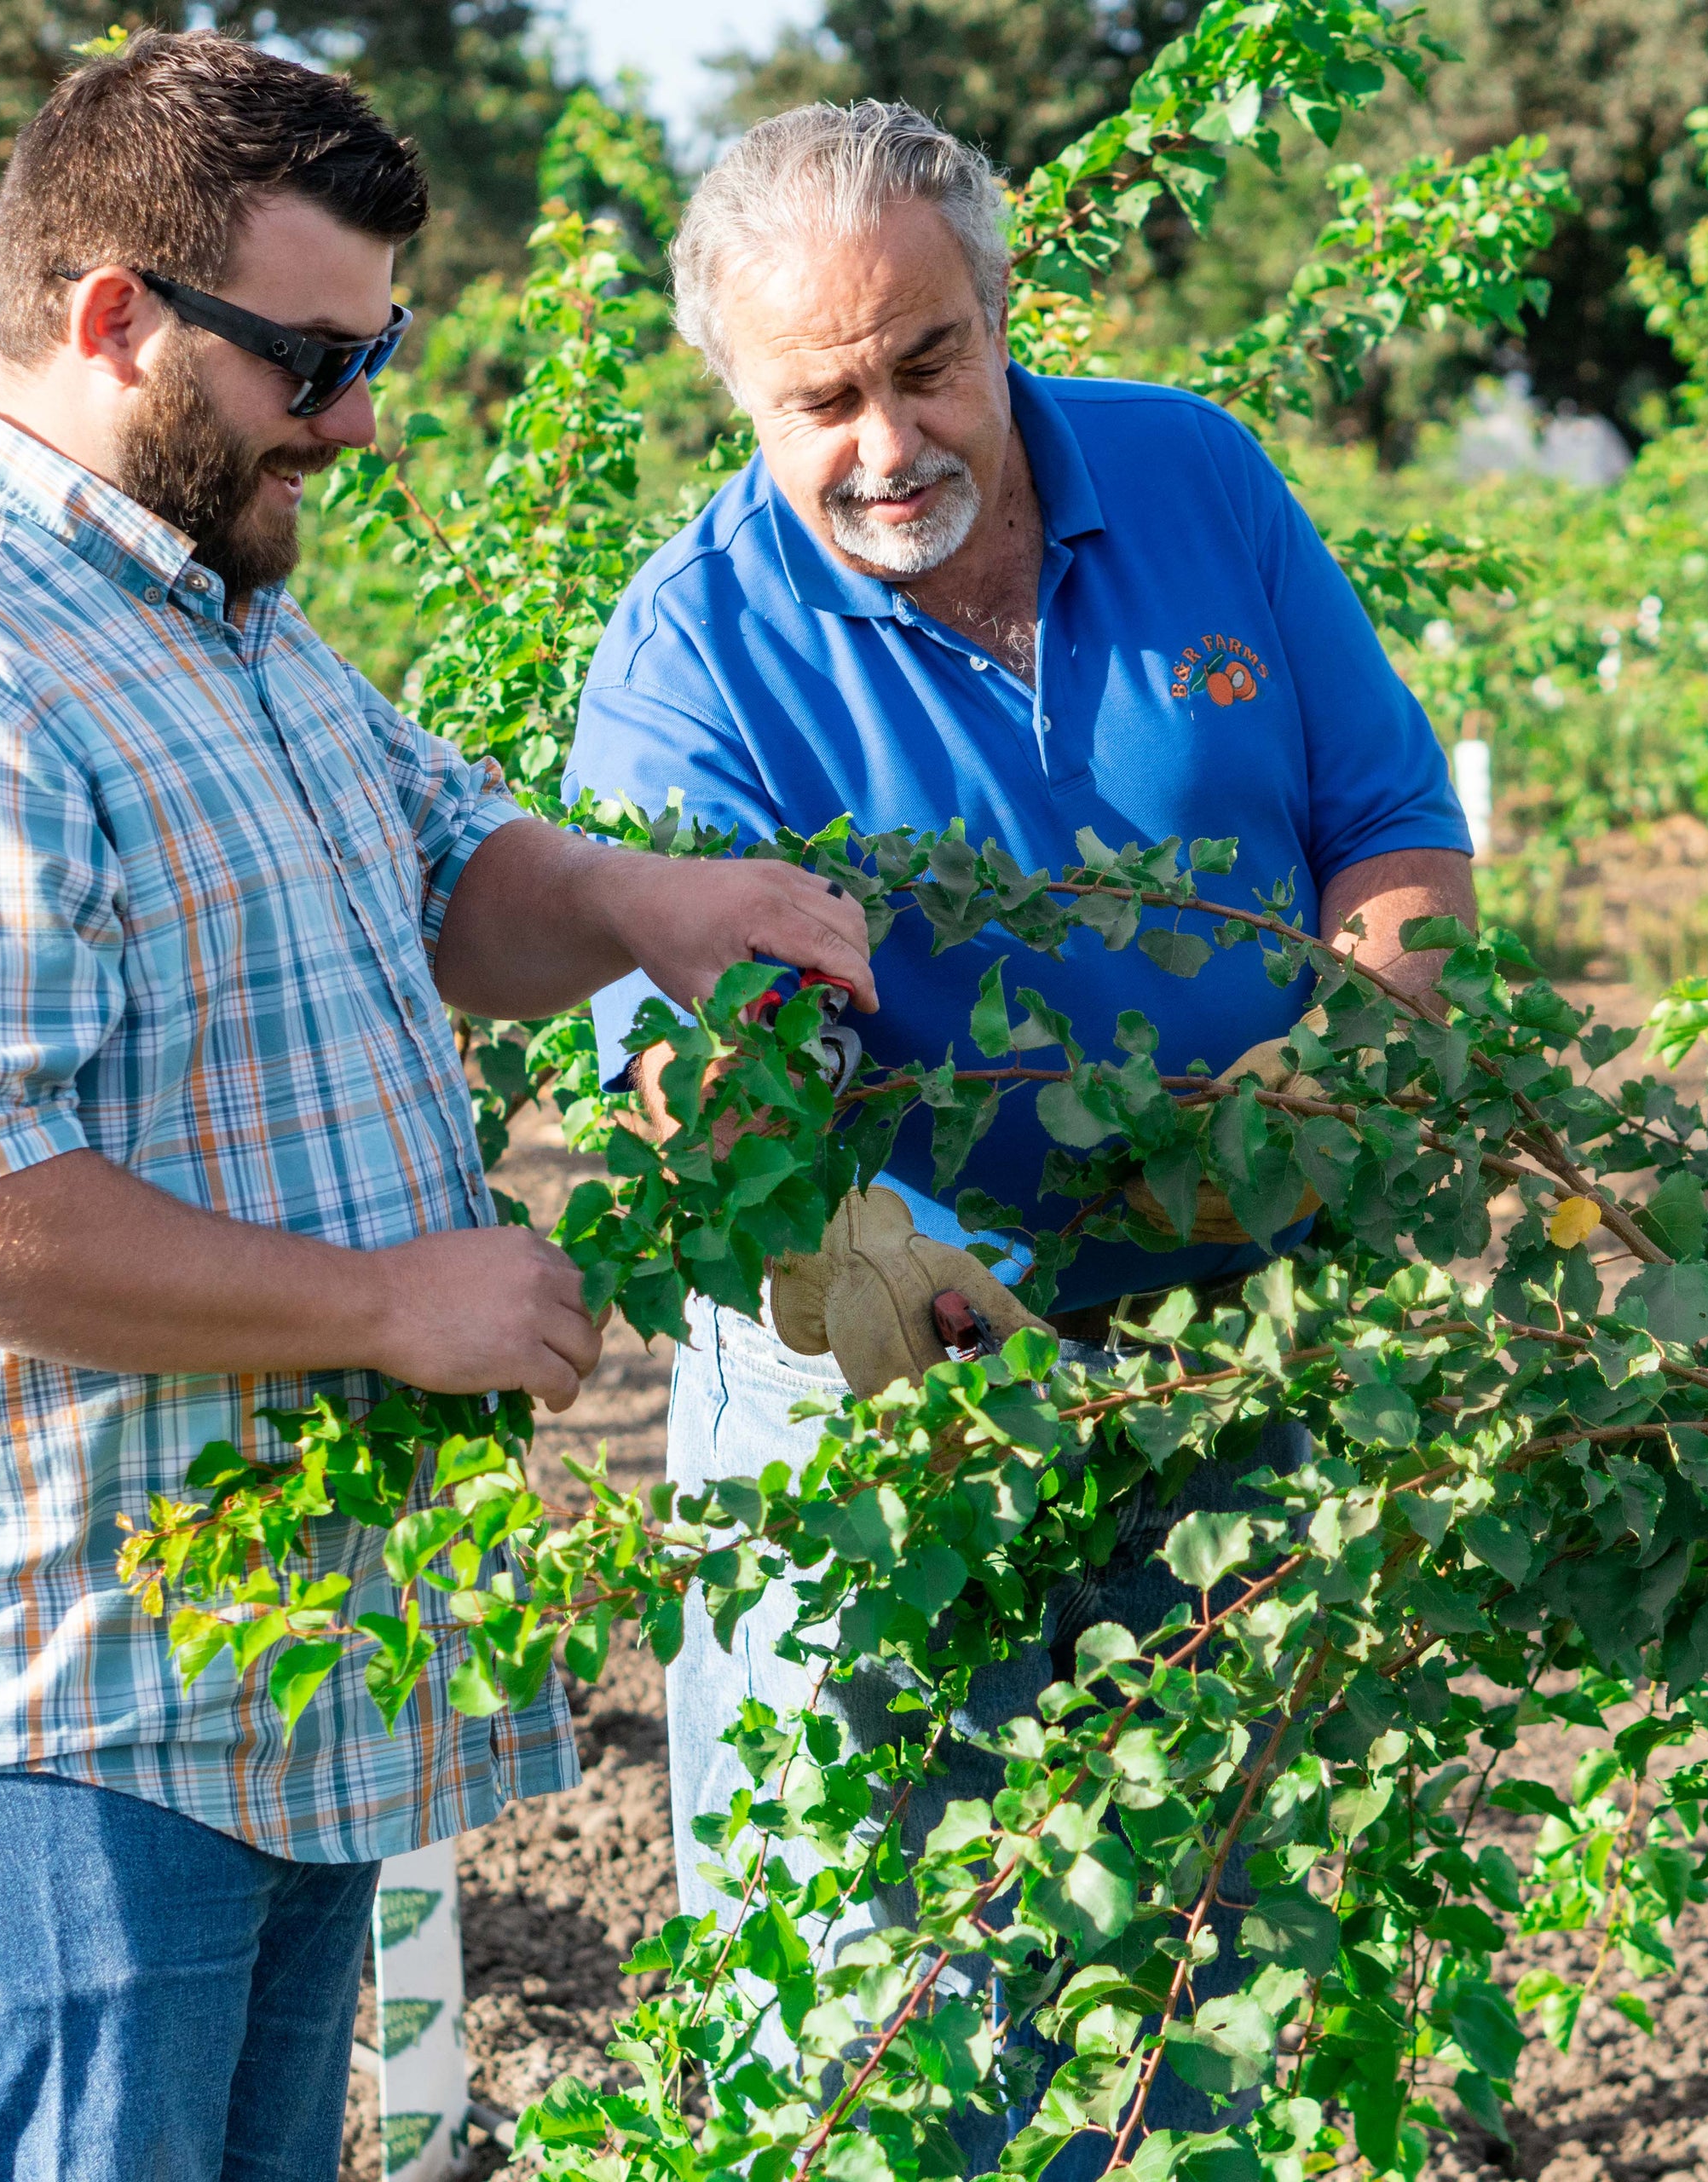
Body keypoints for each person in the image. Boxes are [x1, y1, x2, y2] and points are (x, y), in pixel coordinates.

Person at [0, 35, 875, 2182]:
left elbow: (449, 877)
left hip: (264, 1679)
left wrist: (639, 897)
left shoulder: (220, 623)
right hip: (33, 1705)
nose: (363, 414)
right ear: (115, 318)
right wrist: (392, 1300)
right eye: (312, 356)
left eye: (376, 347)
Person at [563, 100, 1474, 2168]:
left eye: (926, 364)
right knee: (885, 1985)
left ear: (1003, 309)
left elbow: (1394, 834)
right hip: (887, 1396)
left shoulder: (1192, 477)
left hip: (1240, 1365)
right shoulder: (690, 650)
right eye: (823, 402)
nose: (887, 444)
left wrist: (1351, 1053)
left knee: (1215, 1954)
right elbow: (695, 1065)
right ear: (742, 402)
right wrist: (863, 1245)